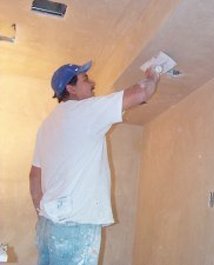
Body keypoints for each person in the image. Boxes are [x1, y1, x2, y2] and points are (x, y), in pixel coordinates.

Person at [29, 60, 160, 265]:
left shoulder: (46, 126)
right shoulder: (85, 110)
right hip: (75, 226)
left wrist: (44, 213)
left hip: (48, 226)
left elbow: (34, 176)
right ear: (71, 88)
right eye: (85, 79)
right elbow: (141, 93)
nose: (92, 83)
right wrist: (153, 75)